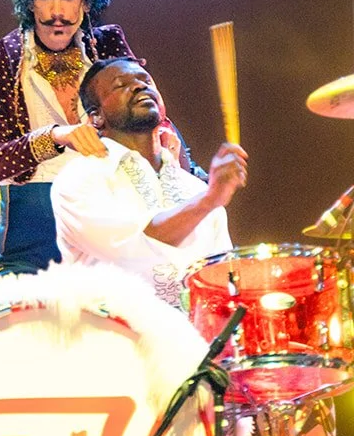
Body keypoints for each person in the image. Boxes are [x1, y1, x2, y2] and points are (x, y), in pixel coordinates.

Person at [0, 0, 200, 279]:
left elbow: (147, 108)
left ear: (86, 2)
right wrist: (56, 137)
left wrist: (191, 173)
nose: (56, 12)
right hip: (33, 236)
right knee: (12, 309)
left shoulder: (107, 44)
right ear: (29, 2)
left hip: (112, 217)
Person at [51, 57, 248, 305]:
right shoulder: (80, 179)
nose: (139, 86)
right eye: (121, 85)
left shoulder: (195, 189)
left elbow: (221, 279)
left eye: (145, 81)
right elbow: (137, 245)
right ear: (96, 117)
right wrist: (209, 200)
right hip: (114, 327)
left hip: (193, 328)